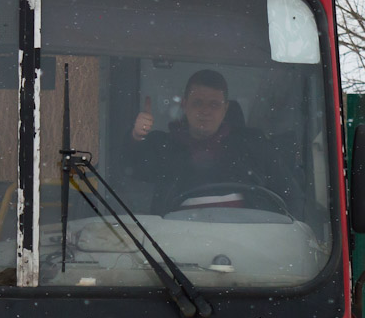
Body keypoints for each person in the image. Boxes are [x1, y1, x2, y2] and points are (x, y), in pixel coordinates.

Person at [123, 69, 299, 216]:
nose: (205, 111)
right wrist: (137, 136)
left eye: (214, 104)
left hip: (248, 244)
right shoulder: (164, 146)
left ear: (226, 109)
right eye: (198, 102)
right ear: (184, 105)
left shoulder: (255, 146)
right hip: (175, 244)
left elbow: (290, 196)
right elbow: (132, 168)